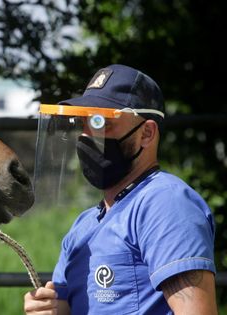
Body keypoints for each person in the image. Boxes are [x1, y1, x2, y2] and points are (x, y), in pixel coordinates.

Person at [24, 64, 217, 314]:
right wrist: (47, 309)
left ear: (146, 133)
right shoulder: (85, 224)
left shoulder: (164, 203)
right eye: (86, 122)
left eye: (102, 122)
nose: (88, 136)